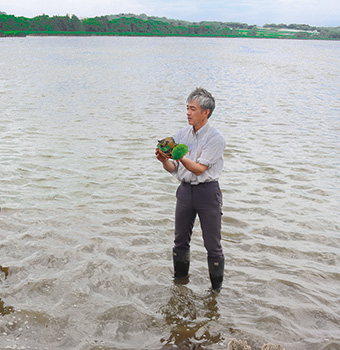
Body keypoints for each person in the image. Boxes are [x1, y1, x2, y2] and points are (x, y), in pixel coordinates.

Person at [155, 87, 226, 291]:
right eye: (187, 108)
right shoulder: (182, 134)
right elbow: (173, 168)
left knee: (212, 245)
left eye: (192, 109)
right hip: (185, 192)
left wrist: (179, 156)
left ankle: (216, 292)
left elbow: (198, 168)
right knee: (180, 241)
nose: (187, 113)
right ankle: (179, 284)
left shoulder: (216, 138)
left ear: (206, 112)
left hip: (207, 193)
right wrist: (164, 160)